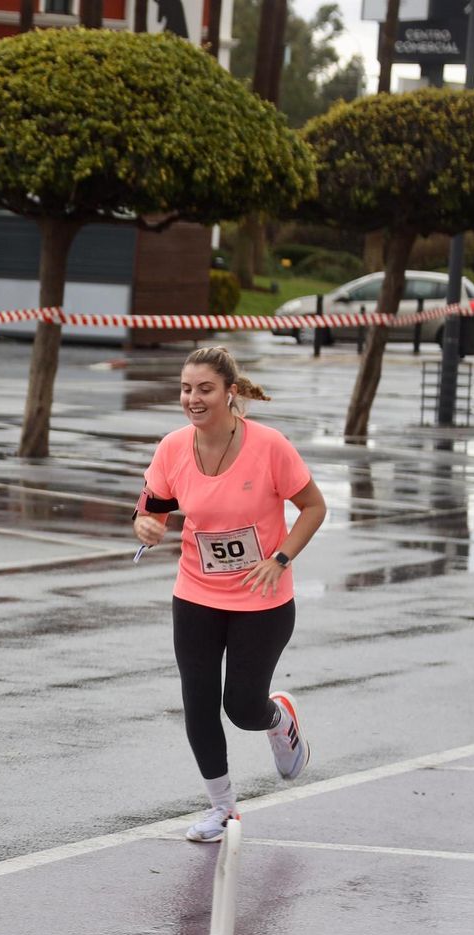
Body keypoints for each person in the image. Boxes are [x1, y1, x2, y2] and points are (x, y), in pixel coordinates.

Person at [132, 346, 327, 844]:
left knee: (241, 707)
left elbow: (312, 507)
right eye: (185, 388)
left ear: (230, 393)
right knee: (198, 702)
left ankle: (277, 719)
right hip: (195, 592)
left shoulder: (269, 446)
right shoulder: (173, 448)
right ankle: (223, 810)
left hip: (261, 599)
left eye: (204, 389)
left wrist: (279, 558)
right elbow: (151, 509)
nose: (192, 399)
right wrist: (147, 526)